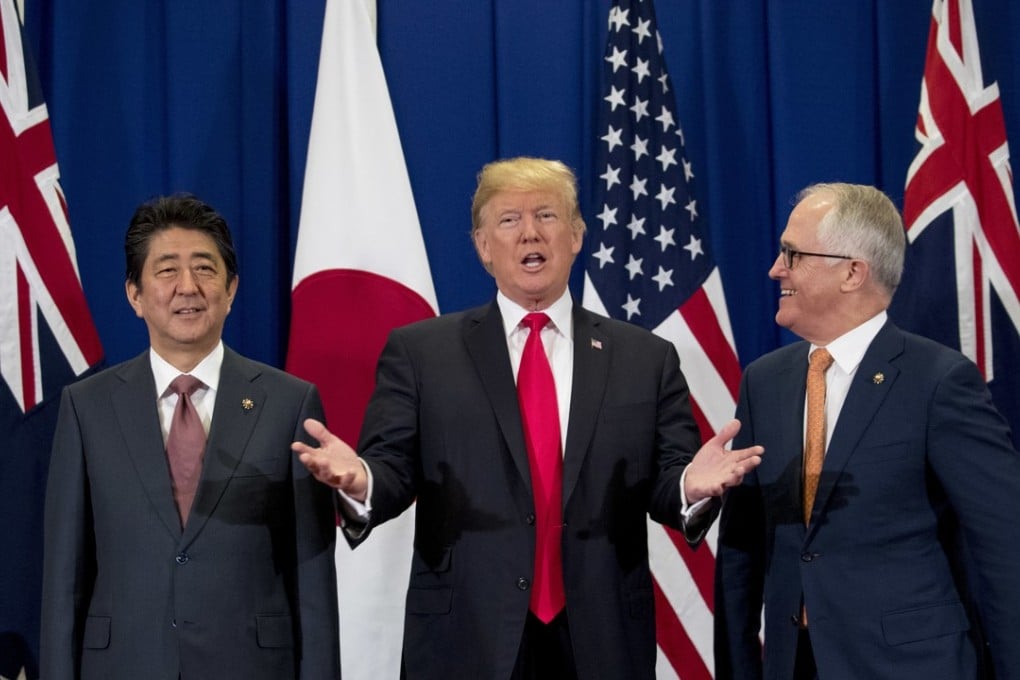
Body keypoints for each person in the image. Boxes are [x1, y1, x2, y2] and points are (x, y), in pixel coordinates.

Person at [292, 157, 763, 679]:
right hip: (465, 634)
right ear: (482, 246)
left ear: (578, 235)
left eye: (547, 215)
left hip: (602, 636)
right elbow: (392, 469)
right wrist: (361, 481)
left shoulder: (645, 357)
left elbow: (667, 478)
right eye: (509, 220)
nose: (530, 233)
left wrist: (690, 489)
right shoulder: (422, 353)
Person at [713, 183, 1020, 679]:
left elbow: (1005, 545)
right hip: (794, 665)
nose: (776, 268)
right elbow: (743, 548)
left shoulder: (938, 381)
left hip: (909, 665)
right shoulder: (764, 381)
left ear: (853, 272)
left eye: (793, 253)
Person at [40, 194, 340, 679]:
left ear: (231, 288)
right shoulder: (86, 408)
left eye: (204, 268)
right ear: (135, 295)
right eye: (166, 271)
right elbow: (64, 578)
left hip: (252, 665)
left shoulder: (289, 403)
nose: (187, 287)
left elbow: (312, 572)